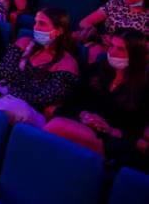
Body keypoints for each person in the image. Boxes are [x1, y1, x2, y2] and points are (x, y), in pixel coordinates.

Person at [44, 30, 148, 163]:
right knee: (56, 124)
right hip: (81, 121)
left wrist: (110, 129)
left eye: (120, 49)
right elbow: (72, 99)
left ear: (135, 55)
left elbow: (137, 130)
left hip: (111, 139)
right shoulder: (97, 69)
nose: (112, 52)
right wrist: (84, 114)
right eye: (111, 46)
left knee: (57, 126)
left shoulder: (144, 87)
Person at [0, 8, 78, 126]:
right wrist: (29, 85)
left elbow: (43, 97)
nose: (35, 27)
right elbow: (4, 71)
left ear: (58, 31)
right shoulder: (24, 42)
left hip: (28, 108)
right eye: (35, 22)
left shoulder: (67, 63)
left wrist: (13, 85)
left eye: (42, 24)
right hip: (0, 94)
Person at [75, 0, 149, 56]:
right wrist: (98, 36)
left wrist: (117, 43)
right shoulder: (115, 3)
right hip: (103, 46)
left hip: (127, 54)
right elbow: (84, 22)